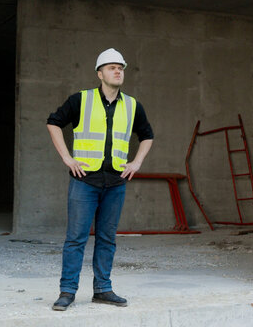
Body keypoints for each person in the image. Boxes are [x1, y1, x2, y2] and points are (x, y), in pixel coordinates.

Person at [46, 48, 154, 311]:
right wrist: (67, 158)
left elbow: (147, 135)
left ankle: (103, 289)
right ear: (100, 73)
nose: (118, 71)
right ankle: (67, 291)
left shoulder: (132, 105)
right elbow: (53, 123)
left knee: (107, 238)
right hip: (84, 181)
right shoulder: (81, 100)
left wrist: (136, 162)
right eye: (112, 67)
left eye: (121, 67)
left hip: (115, 183)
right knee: (76, 238)